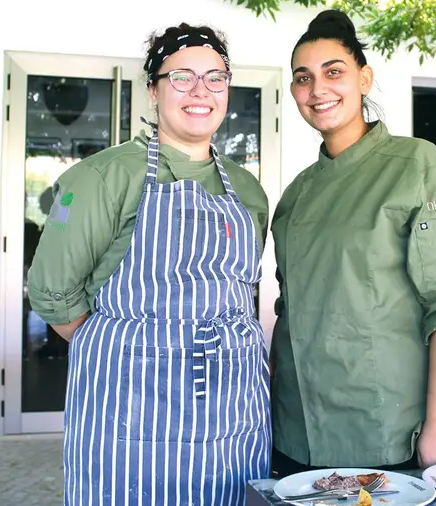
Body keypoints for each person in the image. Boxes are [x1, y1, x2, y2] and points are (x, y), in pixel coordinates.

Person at [27, 22, 272, 506]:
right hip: (132, 415)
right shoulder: (103, 176)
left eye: (215, 77)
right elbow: (52, 292)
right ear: (153, 89)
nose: (200, 91)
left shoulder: (248, 191)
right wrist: (131, 347)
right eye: (181, 76)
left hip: (233, 415)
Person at [269, 9, 436, 475]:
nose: (318, 88)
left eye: (334, 72)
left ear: (364, 78)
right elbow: (291, 315)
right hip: (294, 429)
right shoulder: (295, 194)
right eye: (303, 78)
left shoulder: (417, 165)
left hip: (385, 430)